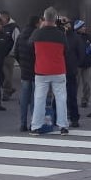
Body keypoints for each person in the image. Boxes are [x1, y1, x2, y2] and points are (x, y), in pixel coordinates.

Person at [30, 7, 70, 135]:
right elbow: (66, 50)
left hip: (41, 71)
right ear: (55, 18)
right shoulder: (60, 34)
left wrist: (40, 27)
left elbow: (29, 45)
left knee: (39, 99)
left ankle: (36, 126)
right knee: (61, 99)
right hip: (58, 70)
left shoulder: (37, 33)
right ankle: (63, 126)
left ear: (44, 18)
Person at [14, 16, 41, 132]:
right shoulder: (37, 35)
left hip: (25, 71)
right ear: (36, 23)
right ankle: (33, 123)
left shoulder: (20, 36)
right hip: (36, 70)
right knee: (35, 98)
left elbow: (16, 53)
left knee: (24, 98)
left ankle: (22, 123)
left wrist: (22, 64)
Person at [62, 15, 84, 127]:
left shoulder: (75, 37)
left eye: (67, 23)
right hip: (60, 70)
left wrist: (75, 65)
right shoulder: (59, 35)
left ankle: (74, 118)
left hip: (70, 70)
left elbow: (81, 53)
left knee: (71, 95)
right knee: (60, 96)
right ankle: (60, 117)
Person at [0, 11, 20, 101]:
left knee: (7, 75)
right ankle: (8, 89)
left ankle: (6, 92)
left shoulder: (13, 27)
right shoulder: (0, 26)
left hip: (9, 56)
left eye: (0, 18)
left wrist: (12, 52)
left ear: (5, 17)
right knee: (1, 75)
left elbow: (17, 40)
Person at [75, 20, 91, 108]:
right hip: (77, 64)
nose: (84, 28)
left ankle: (85, 100)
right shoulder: (74, 37)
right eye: (82, 27)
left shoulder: (88, 37)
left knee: (87, 83)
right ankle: (73, 99)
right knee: (75, 83)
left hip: (87, 63)